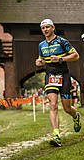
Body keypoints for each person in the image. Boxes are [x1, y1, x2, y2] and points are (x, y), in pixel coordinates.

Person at [35, 19, 81, 147]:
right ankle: (56, 135)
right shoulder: (41, 45)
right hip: (50, 76)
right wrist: (39, 63)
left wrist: (61, 58)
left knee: (67, 108)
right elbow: (43, 60)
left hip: (64, 76)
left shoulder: (62, 41)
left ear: (53, 28)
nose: (45, 30)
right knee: (53, 104)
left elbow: (76, 56)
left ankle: (75, 116)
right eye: (43, 28)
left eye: (48, 27)